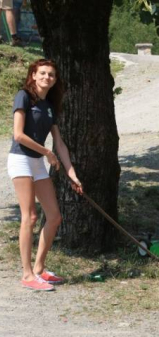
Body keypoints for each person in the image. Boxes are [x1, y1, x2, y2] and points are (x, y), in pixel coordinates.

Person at [7, 59, 83, 291]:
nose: (47, 77)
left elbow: (59, 143)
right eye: (42, 73)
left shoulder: (49, 105)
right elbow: (18, 135)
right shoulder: (24, 96)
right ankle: (27, 274)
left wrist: (72, 174)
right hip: (21, 159)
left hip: (38, 162)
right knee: (29, 217)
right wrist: (47, 153)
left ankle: (39, 269)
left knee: (54, 216)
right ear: (33, 75)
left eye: (51, 74)